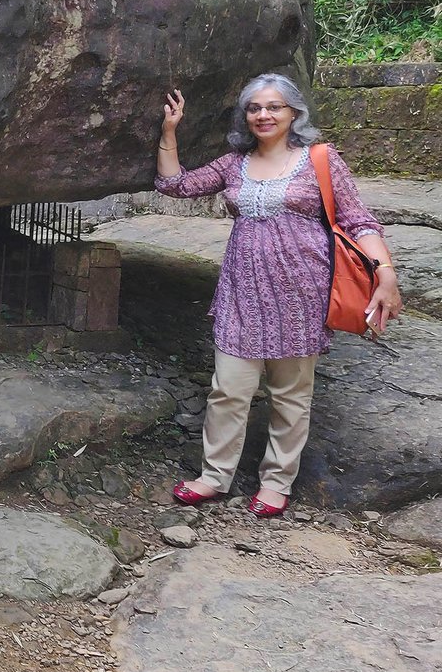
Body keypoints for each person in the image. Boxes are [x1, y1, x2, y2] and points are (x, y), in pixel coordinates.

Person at [154, 73, 402, 517]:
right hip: (241, 292)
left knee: (291, 394)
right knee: (228, 390)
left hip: (301, 294)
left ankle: (276, 482)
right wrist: (170, 132)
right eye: (254, 108)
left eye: (274, 107)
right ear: (245, 116)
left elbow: (359, 220)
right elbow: (178, 186)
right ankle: (214, 476)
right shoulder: (234, 163)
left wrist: (385, 272)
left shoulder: (321, 160)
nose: (263, 115)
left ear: (294, 113)